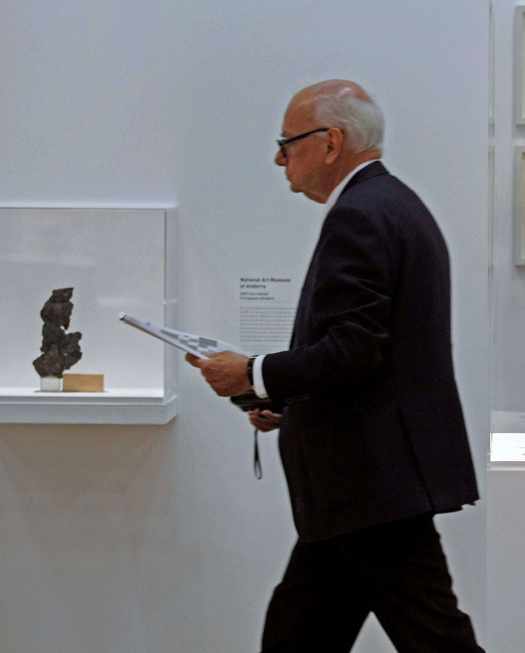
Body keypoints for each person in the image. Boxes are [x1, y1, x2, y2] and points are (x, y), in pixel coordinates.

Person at [187, 79, 483, 653]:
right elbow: (375, 358)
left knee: (437, 640)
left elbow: (352, 351)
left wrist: (252, 373)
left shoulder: (362, 215)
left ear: (330, 142)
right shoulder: (393, 204)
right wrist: (285, 401)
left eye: (287, 143)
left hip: (369, 485)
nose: (279, 159)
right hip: (363, 486)